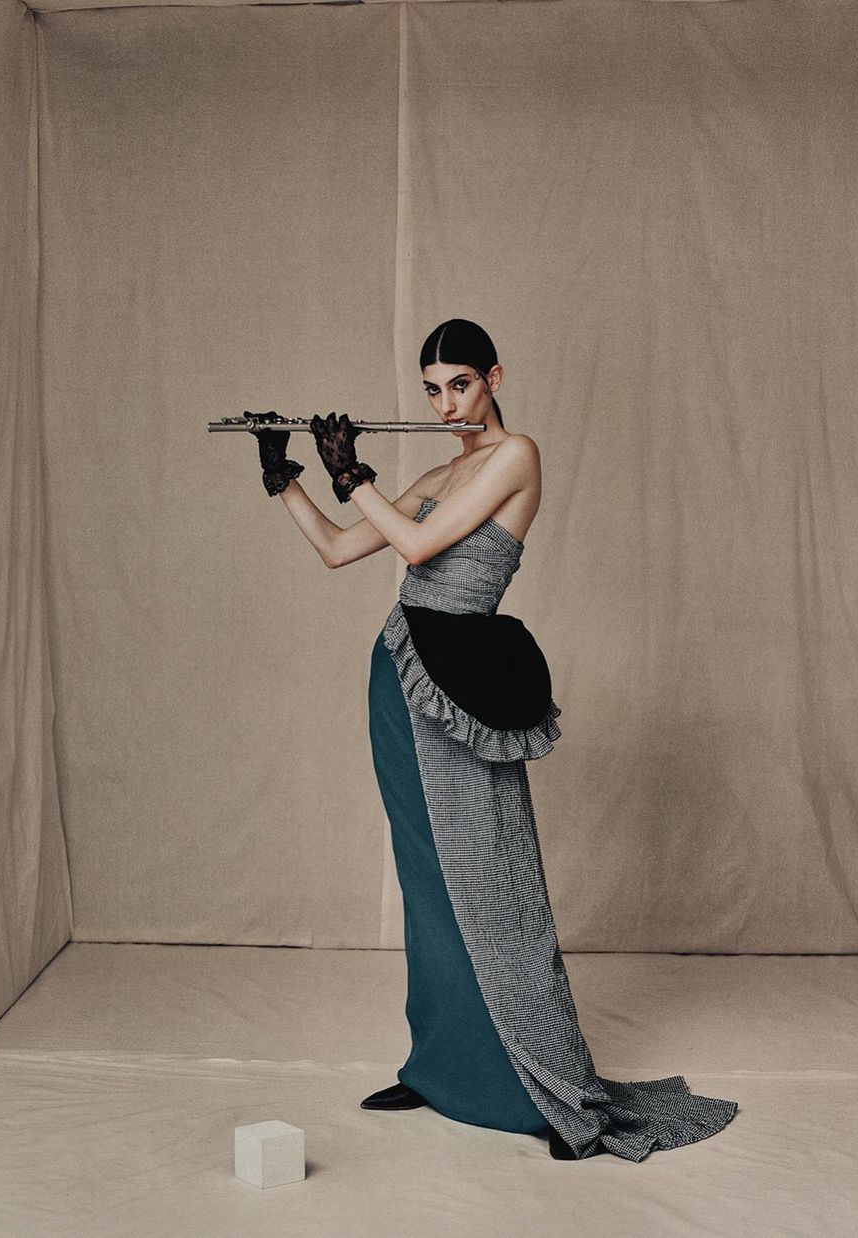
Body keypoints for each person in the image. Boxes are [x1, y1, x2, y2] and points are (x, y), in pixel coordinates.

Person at [250, 318, 739, 1161]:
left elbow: (417, 543)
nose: (446, 404)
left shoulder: (516, 457)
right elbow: (337, 550)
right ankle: (440, 1066)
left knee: (488, 882)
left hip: (460, 688)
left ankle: (542, 1088)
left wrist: (353, 473)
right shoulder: (439, 472)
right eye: (433, 390)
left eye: (461, 385)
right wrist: (285, 476)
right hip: (397, 672)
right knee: (425, 877)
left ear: (494, 379)